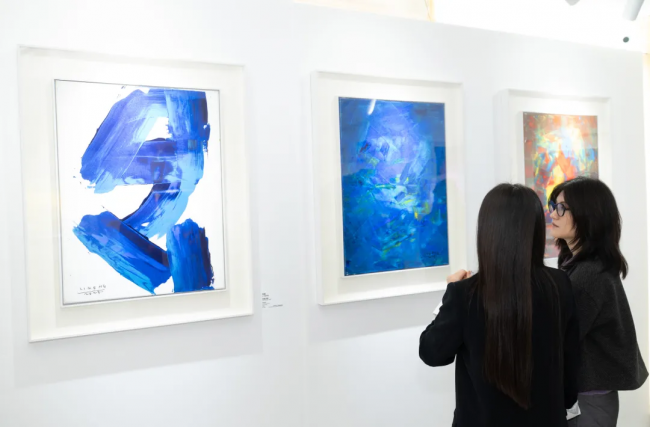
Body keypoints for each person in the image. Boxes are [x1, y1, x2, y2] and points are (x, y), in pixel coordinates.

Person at [419, 183, 580, 427]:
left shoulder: (464, 294)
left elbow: (432, 353)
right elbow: (570, 363)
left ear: (487, 232)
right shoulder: (559, 284)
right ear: (536, 231)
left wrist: (448, 295)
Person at [549, 177, 648, 427]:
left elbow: (560, 337)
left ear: (587, 215)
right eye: (553, 206)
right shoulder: (579, 264)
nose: (553, 213)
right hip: (587, 396)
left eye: (561, 208)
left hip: (588, 400)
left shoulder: (588, 275)